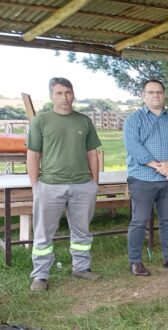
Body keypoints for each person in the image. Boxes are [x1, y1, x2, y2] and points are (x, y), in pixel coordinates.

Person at [27, 77, 102, 291]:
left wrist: (94, 183)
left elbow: (92, 153)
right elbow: (33, 155)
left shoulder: (84, 121)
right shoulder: (40, 121)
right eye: (59, 93)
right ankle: (40, 275)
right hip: (49, 185)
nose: (65, 97)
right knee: (43, 233)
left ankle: (81, 268)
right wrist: (36, 186)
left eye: (68, 92)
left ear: (73, 94)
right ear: (51, 96)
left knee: (82, 232)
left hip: (82, 186)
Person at [124, 79, 168, 276]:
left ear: (164, 94)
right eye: (151, 92)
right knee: (139, 220)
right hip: (142, 178)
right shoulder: (134, 120)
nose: (156, 95)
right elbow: (134, 146)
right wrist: (157, 165)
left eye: (159, 92)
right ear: (143, 95)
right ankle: (135, 261)